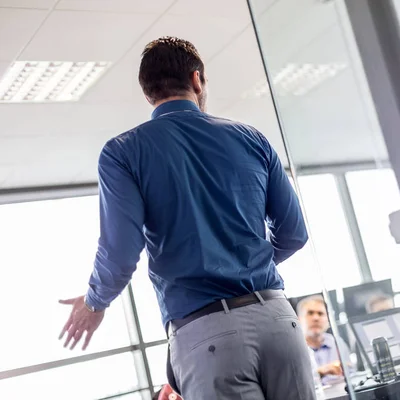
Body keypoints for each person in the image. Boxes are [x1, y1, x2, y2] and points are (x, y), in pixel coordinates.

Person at [57, 36, 316, 400]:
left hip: (207, 334)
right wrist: (240, 262)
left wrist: (94, 302)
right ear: (197, 80)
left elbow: (120, 252)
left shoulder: (123, 152)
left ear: (148, 94)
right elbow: (294, 234)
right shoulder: (253, 139)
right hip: (279, 321)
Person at [297, 295, 353, 385]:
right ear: (298, 320)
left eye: (321, 313)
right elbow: (295, 384)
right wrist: (320, 373)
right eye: (310, 313)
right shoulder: (293, 349)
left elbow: (352, 375)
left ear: (328, 320)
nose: (316, 318)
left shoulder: (338, 343)